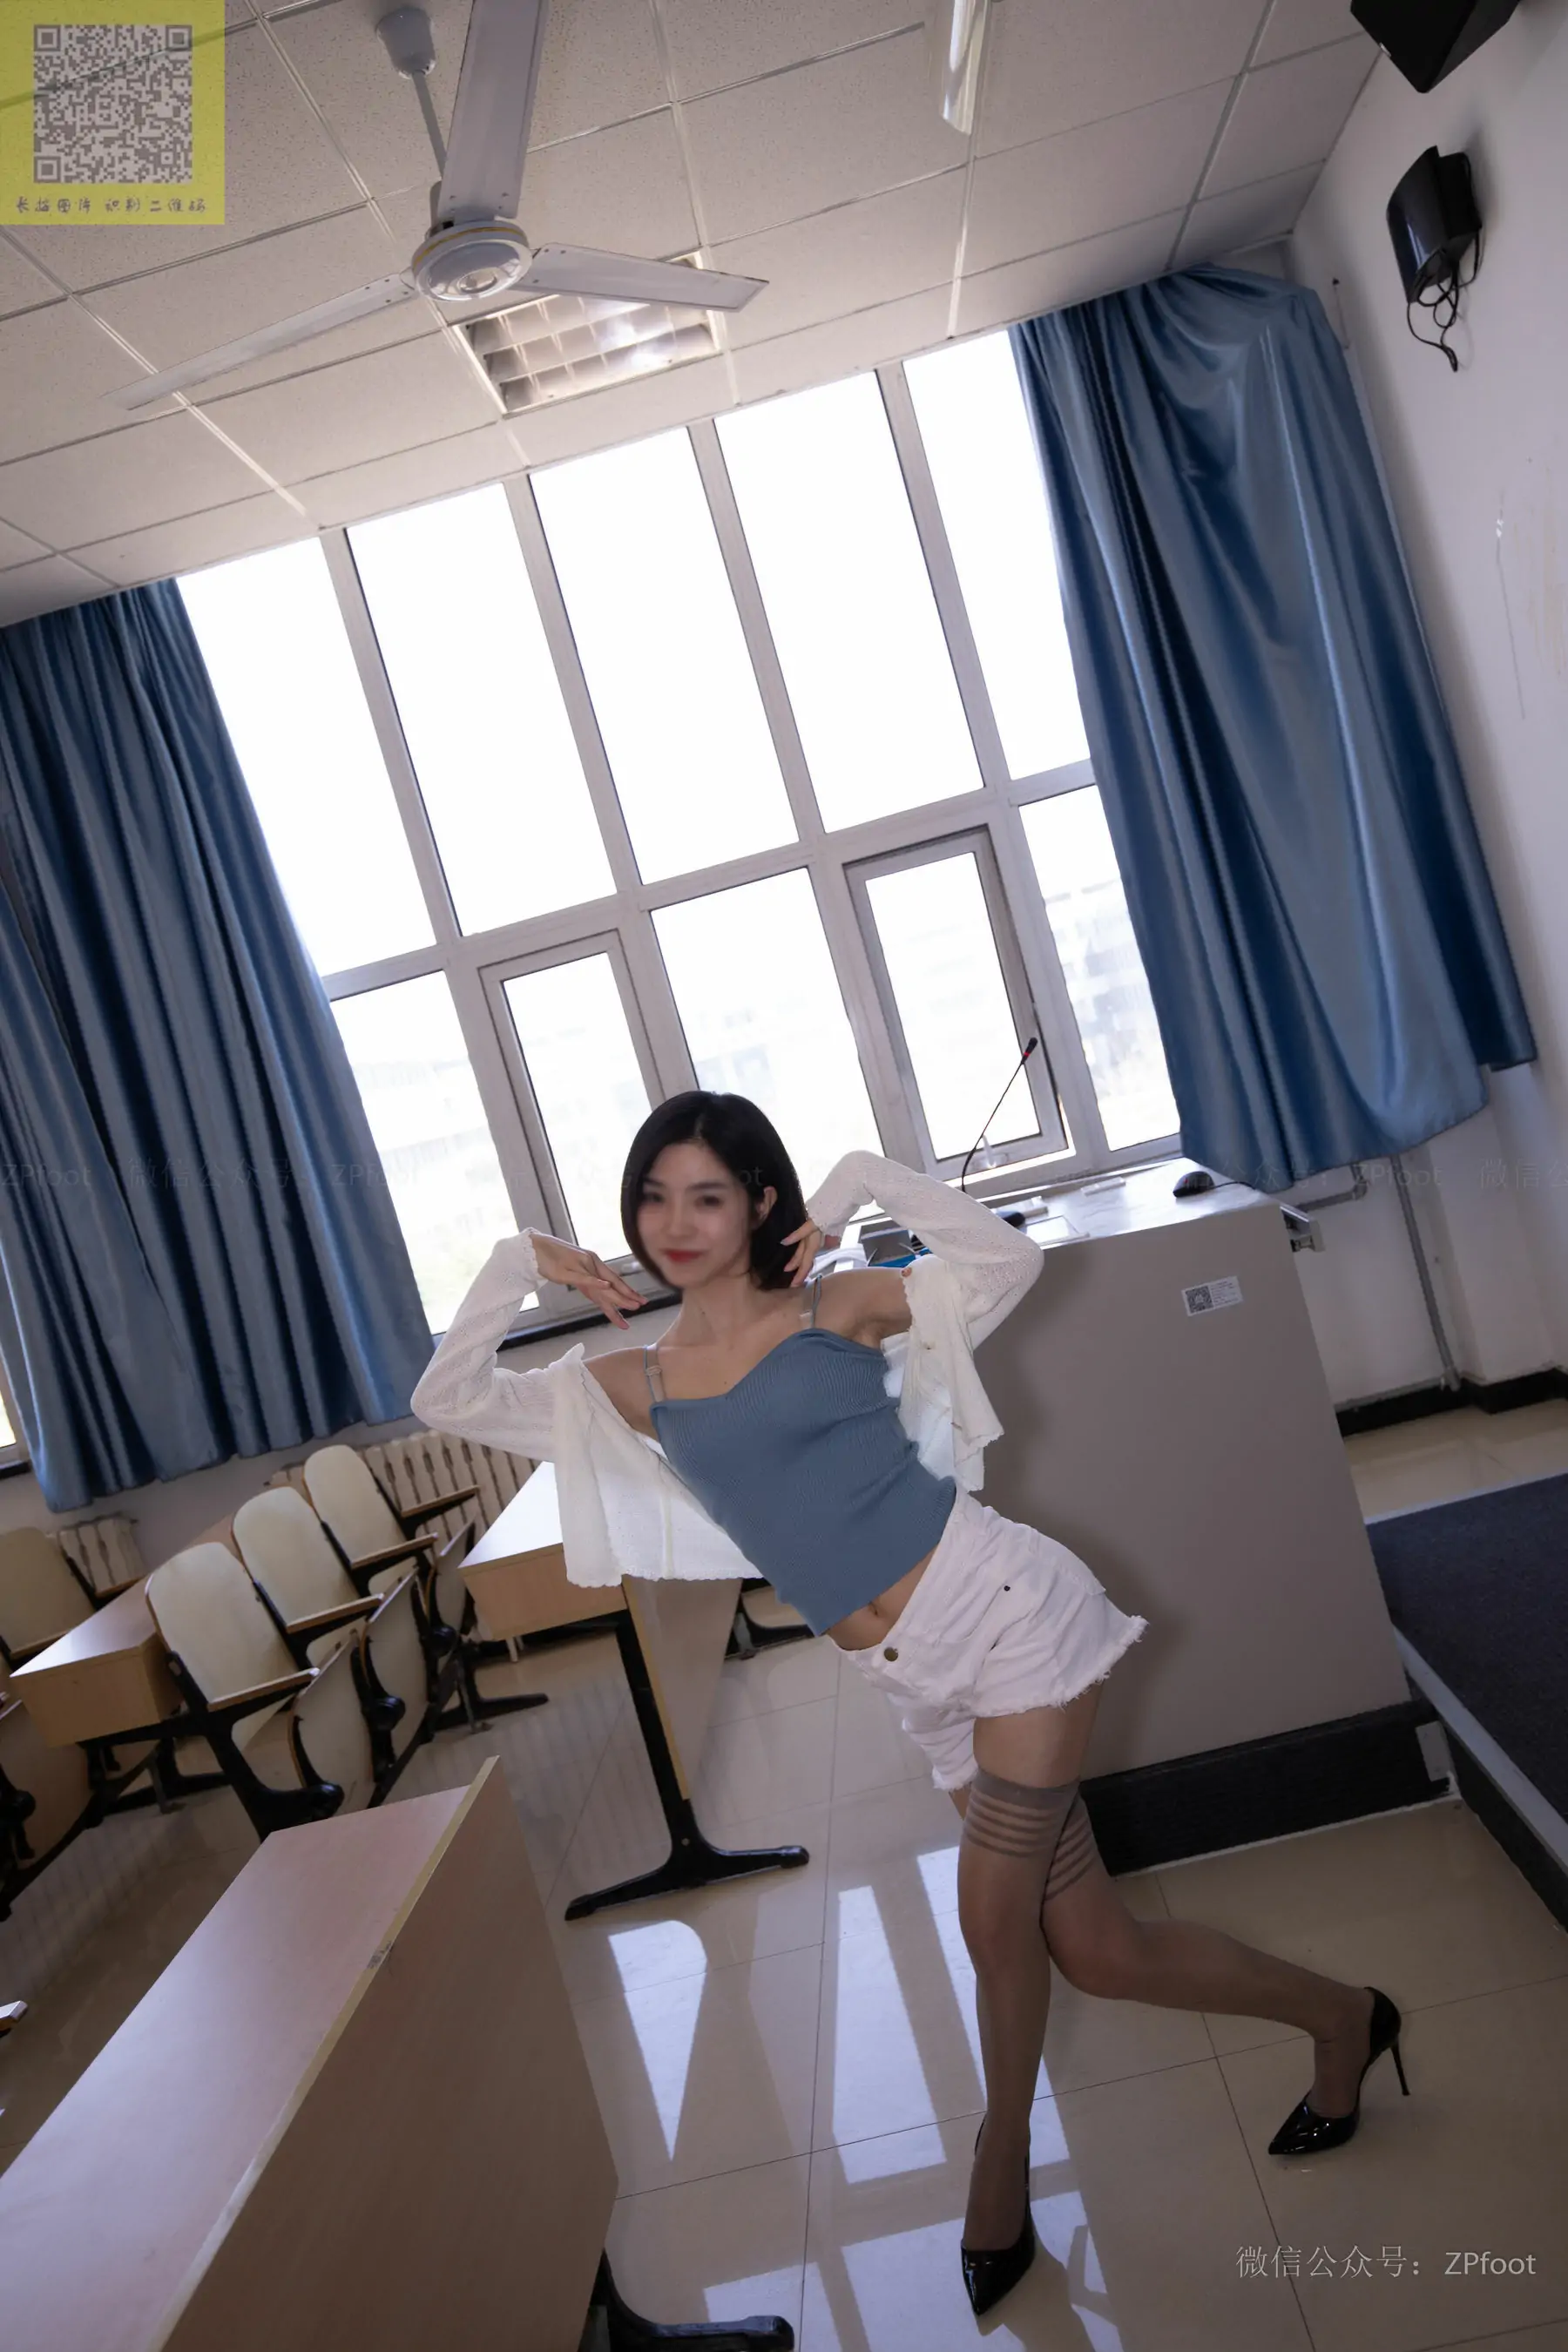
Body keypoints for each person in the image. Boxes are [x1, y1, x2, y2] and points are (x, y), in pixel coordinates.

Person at [411, 1090, 1408, 2319]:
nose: (675, 1222)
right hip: (915, 1678)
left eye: (708, 1196)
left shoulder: (834, 1307)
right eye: (655, 1197)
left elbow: (1007, 1263)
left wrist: (856, 1180)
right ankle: (1346, 2018)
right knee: (1100, 1953)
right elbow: (449, 1401)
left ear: (759, 1203)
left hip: (1007, 1615)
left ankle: (999, 2171)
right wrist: (520, 1261)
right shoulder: (636, 1380)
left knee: (993, 1922)